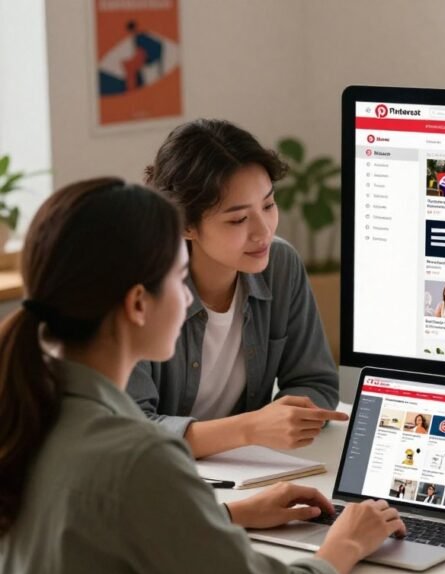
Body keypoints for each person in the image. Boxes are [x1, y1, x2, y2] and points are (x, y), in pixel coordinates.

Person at [0, 178, 405, 574]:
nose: (190, 298)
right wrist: (347, 542)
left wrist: (226, 514)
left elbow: (106, 529)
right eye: (180, 279)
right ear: (138, 304)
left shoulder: (29, 411)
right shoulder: (139, 457)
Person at [126, 119, 341, 459]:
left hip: (245, 470)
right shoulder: (137, 290)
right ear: (185, 224)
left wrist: (287, 419)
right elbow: (129, 433)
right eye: (238, 219)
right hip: (161, 480)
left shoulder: (280, 264)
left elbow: (315, 381)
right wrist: (252, 428)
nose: (263, 232)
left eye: (268, 206)